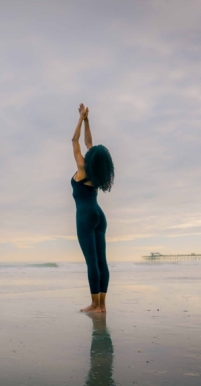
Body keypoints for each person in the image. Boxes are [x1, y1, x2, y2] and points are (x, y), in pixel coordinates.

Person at [71, 103, 114, 313]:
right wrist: (87, 119)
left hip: (85, 216)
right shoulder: (96, 170)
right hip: (99, 215)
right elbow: (88, 143)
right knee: (101, 261)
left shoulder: (81, 166)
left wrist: (80, 119)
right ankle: (102, 305)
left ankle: (95, 305)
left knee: (91, 262)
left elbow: (75, 141)